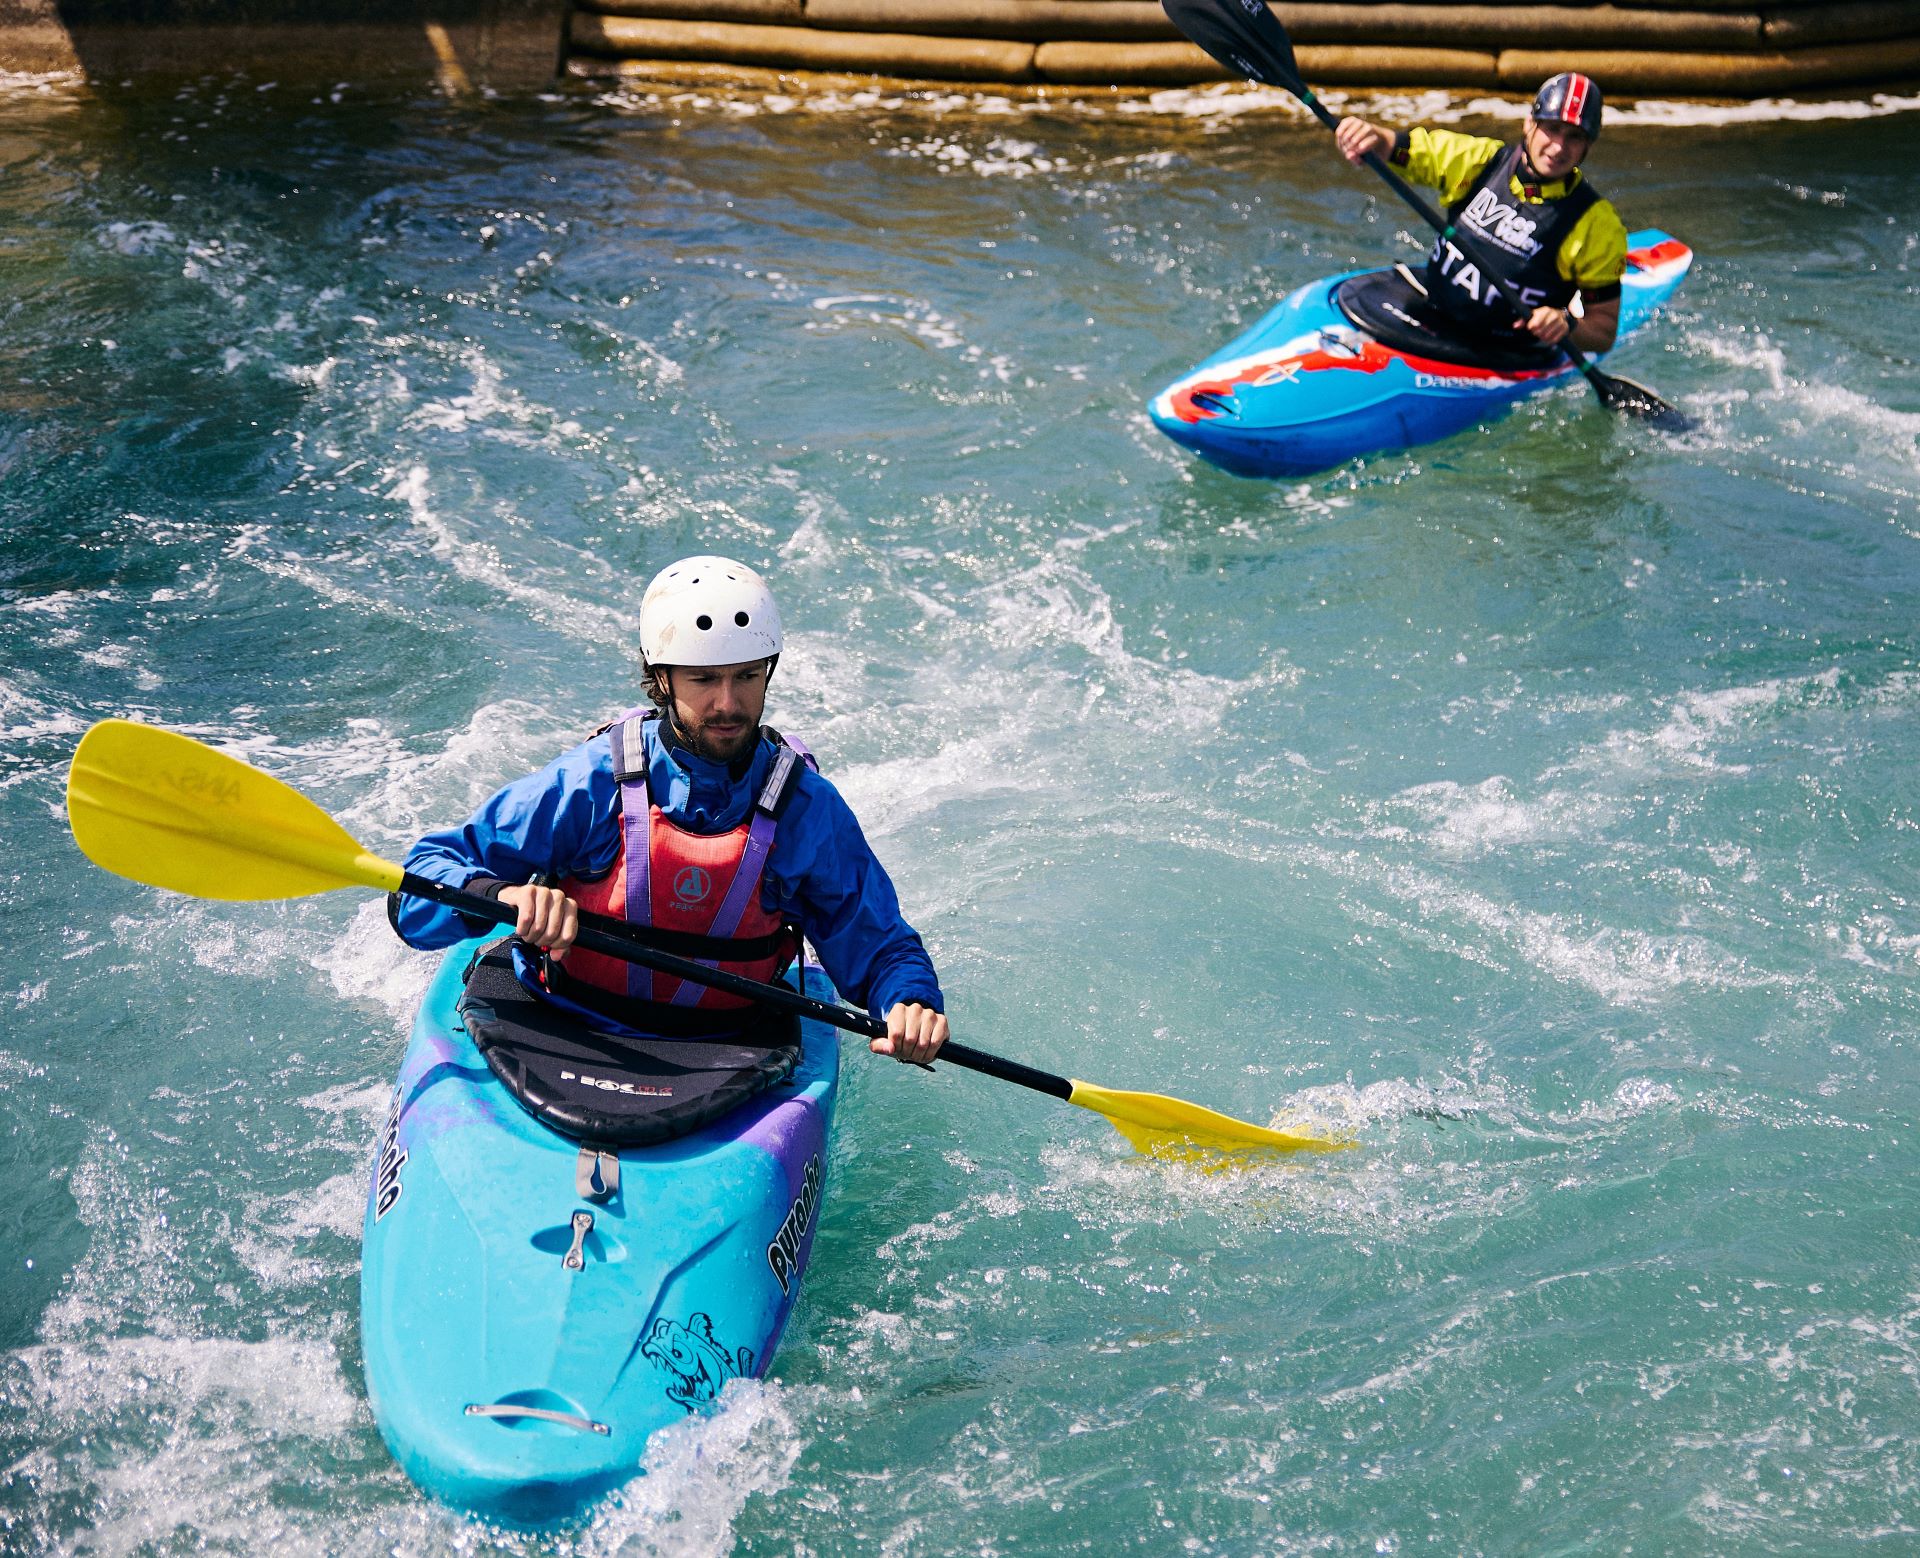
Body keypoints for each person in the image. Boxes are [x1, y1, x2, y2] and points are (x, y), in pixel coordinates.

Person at [392, 555, 949, 1066]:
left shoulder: (805, 810)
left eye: (748, 677)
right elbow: (416, 889)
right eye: (705, 679)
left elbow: (881, 946)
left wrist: (909, 1001)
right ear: (662, 678)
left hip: (727, 1051)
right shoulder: (591, 783)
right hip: (562, 1028)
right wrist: (503, 896)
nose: (728, 704)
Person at [1333, 72, 1628, 356]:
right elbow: (1398, 147)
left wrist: (1566, 324)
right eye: (1551, 129)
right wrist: (1371, 136)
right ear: (1529, 124)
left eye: (1574, 136)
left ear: (1588, 145)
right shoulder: (1478, 161)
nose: (1558, 147)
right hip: (1433, 312)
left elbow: (1602, 333)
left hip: (1504, 349)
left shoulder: (1596, 225)